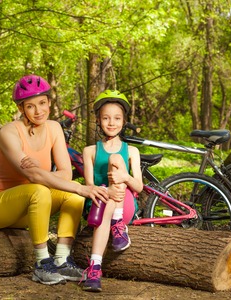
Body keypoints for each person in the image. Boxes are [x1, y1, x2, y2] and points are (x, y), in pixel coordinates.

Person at [0, 74, 108, 286]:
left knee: (72, 194)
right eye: (31, 106)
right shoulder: (9, 132)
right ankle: (42, 263)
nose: (39, 111)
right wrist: (45, 177)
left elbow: (66, 173)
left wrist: (46, 177)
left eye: (42, 103)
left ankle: (62, 259)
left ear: (49, 102)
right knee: (45, 189)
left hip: (32, 204)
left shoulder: (54, 129)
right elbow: (34, 176)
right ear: (21, 109)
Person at [81, 90, 143, 292]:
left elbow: (139, 187)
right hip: (98, 204)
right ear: (98, 120)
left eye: (117, 118)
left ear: (124, 121)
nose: (111, 123)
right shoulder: (90, 151)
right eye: (106, 118)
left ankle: (95, 266)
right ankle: (95, 267)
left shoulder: (132, 151)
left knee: (116, 159)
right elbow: (90, 186)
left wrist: (124, 177)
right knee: (106, 200)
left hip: (123, 203)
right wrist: (106, 192)